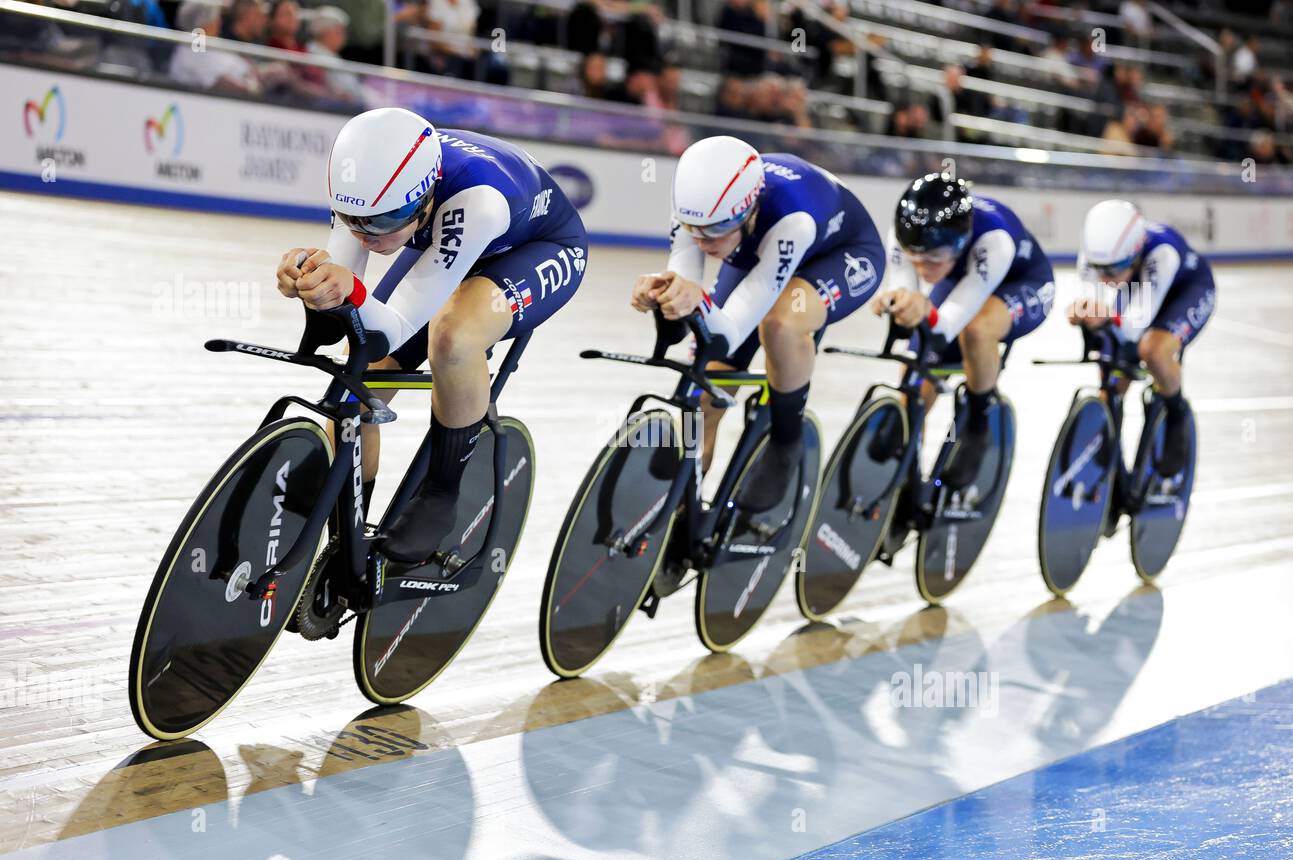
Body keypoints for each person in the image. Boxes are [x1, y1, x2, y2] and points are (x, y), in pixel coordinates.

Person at [276, 108, 588, 563]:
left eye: (385, 222)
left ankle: (442, 492)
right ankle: (348, 530)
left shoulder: (477, 201)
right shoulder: (369, 187)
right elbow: (364, 323)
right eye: (353, 220)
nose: (367, 237)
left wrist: (351, 290)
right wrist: (313, 283)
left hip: (537, 248)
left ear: (424, 198)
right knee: (361, 370)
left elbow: (399, 324)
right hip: (450, 235)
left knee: (452, 337)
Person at [629, 136, 886, 511]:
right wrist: (665, 296)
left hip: (840, 252)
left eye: (718, 229)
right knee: (704, 394)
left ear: (750, 208)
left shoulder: (792, 220)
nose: (703, 242)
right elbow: (691, 306)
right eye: (693, 230)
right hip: (758, 247)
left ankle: (786, 441)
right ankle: (681, 514)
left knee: (780, 324)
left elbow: (729, 329)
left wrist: (696, 303)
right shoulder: (697, 205)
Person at [870, 173, 1054, 488]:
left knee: (975, 330)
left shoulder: (995, 241)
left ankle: (978, 426)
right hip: (962, 279)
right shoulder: (907, 231)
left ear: (959, 242)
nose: (922, 267)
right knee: (917, 369)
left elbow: (948, 324)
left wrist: (925, 316)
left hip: (1023, 283)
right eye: (914, 257)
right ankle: (907, 474)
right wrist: (899, 303)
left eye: (934, 258)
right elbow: (906, 290)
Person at [1067, 200, 1214, 477]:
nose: (1106, 278)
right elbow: (1095, 301)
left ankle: (1176, 414)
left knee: (1153, 350)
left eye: (1114, 269)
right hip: (1138, 287)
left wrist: (1106, 317)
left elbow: (1135, 325)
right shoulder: (1095, 256)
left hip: (1183, 293)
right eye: (1101, 269)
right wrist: (1084, 313)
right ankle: (1112, 453)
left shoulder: (1163, 253)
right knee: (1112, 366)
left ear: (1135, 253)